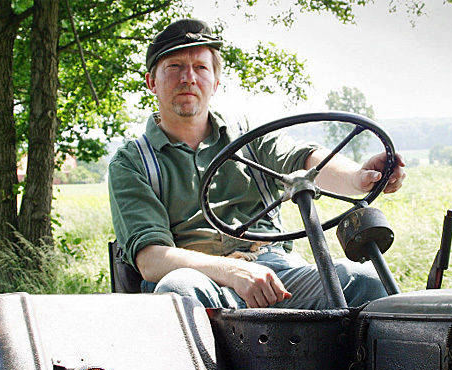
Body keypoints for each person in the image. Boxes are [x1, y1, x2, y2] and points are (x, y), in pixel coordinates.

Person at [108, 18, 406, 309]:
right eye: (175, 67)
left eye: (200, 67)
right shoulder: (132, 162)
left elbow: (305, 159)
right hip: (199, 279)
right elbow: (150, 259)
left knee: (364, 280)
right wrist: (232, 272)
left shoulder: (249, 138)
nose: (189, 78)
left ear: (215, 82)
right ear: (151, 82)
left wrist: (360, 177)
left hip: (274, 270)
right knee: (178, 292)